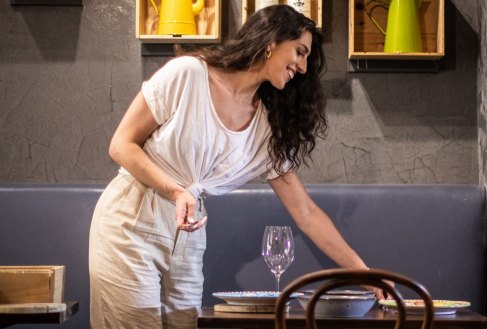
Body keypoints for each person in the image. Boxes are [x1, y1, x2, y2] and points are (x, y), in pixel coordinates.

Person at [88, 4, 377, 329]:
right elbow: (121, 144)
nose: (304, 66)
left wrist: (370, 278)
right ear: (271, 41)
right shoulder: (188, 74)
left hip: (189, 235)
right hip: (132, 221)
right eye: (300, 51)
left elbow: (306, 214)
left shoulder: (267, 130)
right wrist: (175, 189)